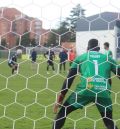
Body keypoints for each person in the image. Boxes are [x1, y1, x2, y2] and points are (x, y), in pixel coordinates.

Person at [52, 39, 120, 129]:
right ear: (99, 49)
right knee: (108, 121)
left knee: (63, 112)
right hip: (103, 91)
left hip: (85, 90)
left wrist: (61, 98)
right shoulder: (108, 58)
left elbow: (69, 79)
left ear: (87, 48)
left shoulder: (81, 58)